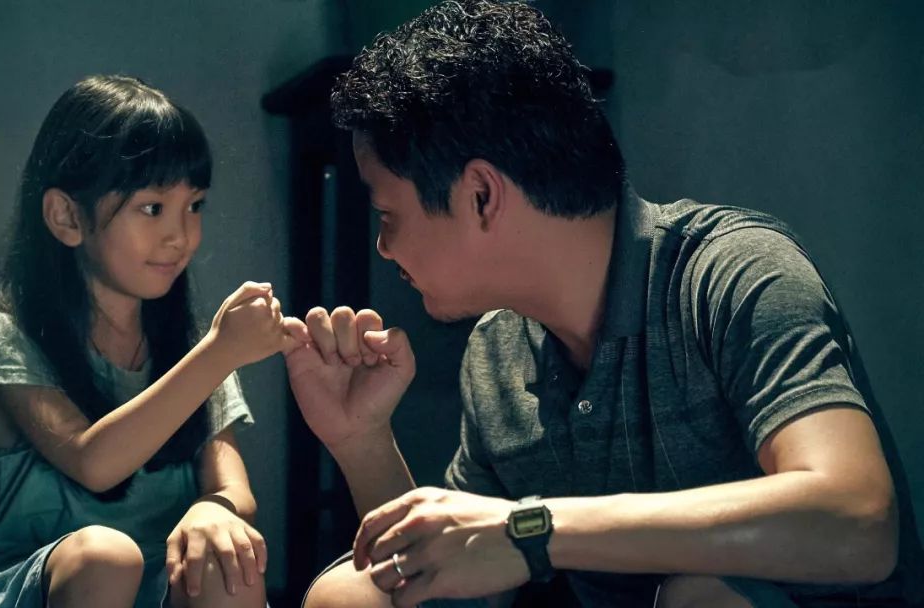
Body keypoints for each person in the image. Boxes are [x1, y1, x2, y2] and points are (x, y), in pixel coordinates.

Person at [280, 1, 924, 606]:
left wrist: (533, 529)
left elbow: (859, 522)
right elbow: (451, 587)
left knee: (705, 594)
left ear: (481, 196)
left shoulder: (731, 273)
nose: (384, 247)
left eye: (388, 214)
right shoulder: (498, 351)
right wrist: (361, 440)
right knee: (348, 594)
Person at [0, 75, 295, 608]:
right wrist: (220, 353)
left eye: (195, 205)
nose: (181, 236)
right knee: (106, 556)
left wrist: (214, 509)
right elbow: (93, 463)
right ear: (67, 217)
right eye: (153, 208)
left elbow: (234, 489)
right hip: (45, 586)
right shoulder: (5, 338)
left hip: (165, 583)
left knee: (230, 566)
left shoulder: (192, 348)